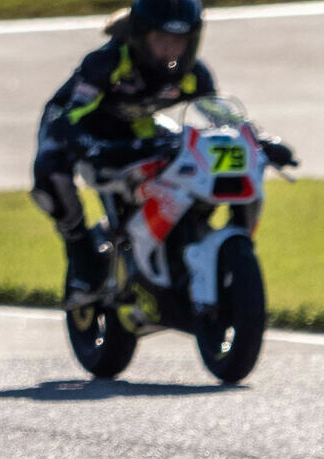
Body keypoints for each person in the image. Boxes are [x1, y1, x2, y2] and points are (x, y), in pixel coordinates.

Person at [31, 0, 295, 306]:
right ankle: (82, 256)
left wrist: (260, 139)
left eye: (179, 41)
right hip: (80, 129)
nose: (170, 50)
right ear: (141, 35)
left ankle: (178, 239)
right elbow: (68, 116)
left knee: (190, 151)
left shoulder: (194, 74)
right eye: (161, 39)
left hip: (138, 129)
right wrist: (88, 145)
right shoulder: (107, 63)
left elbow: (219, 114)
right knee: (50, 171)